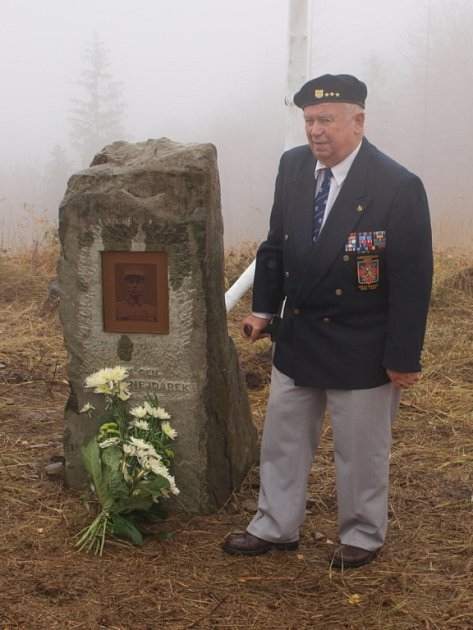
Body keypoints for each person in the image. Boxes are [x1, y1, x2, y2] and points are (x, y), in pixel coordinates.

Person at [222, 74, 433, 569]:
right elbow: (275, 246)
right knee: (283, 440)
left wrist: (403, 357)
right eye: (309, 121)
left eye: (327, 120)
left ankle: (362, 533)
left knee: (360, 454)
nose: (315, 131)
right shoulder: (294, 166)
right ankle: (275, 525)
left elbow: (411, 281)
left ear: (358, 122)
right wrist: (263, 310)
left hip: (362, 344)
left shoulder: (397, 186)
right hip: (297, 334)